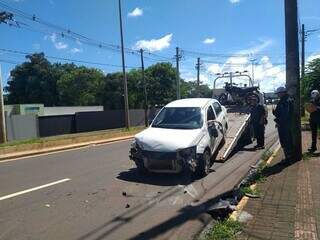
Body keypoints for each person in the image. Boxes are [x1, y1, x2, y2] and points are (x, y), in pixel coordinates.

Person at [273, 86, 294, 161]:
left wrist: (278, 122)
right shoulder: (285, 99)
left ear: (282, 93)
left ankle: (288, 158)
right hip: (285, 124)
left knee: (285, 141)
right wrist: (275, 112)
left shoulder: (285, 101)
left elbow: (285, 115)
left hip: (284, 125)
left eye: (278, 93)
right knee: (287, 140)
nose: (277, 95)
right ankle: (288, 157)